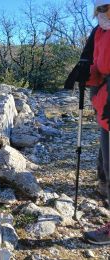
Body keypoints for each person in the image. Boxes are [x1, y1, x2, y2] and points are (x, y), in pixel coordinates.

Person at [83, 0, 110, 245]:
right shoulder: (100, 32)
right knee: (107, 160)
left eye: (108, 8)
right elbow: (99, 67)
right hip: (105, 104)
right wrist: (86, 74)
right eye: (101, 9)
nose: (104, 13)